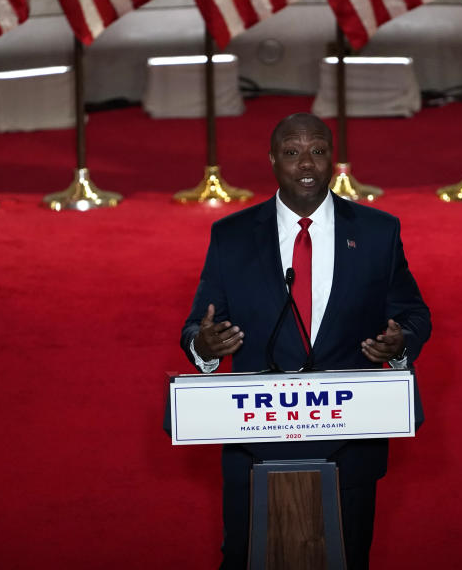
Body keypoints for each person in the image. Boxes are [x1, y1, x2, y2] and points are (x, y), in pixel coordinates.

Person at [181, 113, 431, 570]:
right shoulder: (232, 235)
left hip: (349, 441)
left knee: (346, 558)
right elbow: (198, 325)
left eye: (317, 151)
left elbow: (413, 315)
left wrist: (399, 347)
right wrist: (206, 346)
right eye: (292, 153)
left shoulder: (378, 232)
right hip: (255, 442)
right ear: (273, 159)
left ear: (332, 159)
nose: (306, 164)